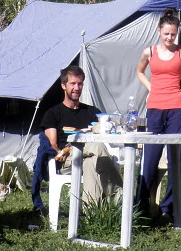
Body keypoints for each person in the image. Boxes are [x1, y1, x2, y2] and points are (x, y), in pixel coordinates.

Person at [136, 8, 181, 218]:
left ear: (177, 33)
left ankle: (169, 208)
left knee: (175, 159)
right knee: (150, 158)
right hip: (154, 109)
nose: (169, 38)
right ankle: (141, 207)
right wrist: (151, 88)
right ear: (159, 31)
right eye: (166, 33)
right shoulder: (149, 52)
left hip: (176, 109)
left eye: (173, 34)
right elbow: (139, 71)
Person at [31, 66, 122, 214]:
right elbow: (52, 143)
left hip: (89, 156)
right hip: (67, 158)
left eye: (80, 84)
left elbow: (106, 131)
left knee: (91, 163)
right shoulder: (53, 113)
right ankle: (120, 197)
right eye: (72, 83)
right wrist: (61, 151)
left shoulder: (92, 112)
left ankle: (90, 213)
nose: (76, 88)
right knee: (97, 146)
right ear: (63, 85)